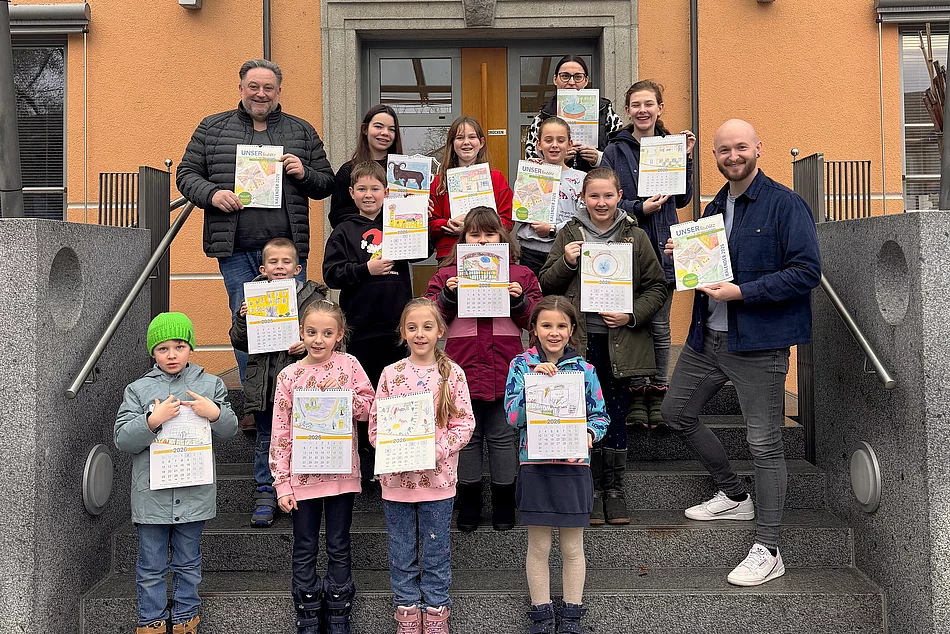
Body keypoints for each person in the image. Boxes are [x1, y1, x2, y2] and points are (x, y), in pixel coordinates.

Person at [660, 119, 821, 587]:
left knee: (766, 445)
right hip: (706, 337)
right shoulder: (716, 205)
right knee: (676, 412)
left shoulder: (785, 204)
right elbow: (709, 268)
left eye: (740, 148)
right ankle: (734, 493)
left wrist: (742, 292)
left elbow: (806, 271)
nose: (732, 156)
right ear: (714, 155)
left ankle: (769, 547)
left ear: (758, 149)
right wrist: (681, 254)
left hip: (759, 344)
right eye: (724, 150)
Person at [176, 59, 335, 382]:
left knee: (292, 323)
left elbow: (326, 182)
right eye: (254, 87)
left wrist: (304, 173)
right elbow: (186, 174)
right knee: (247, 324)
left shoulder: (301, 130)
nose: (261, 94)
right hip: (235, 248)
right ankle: (253, 402)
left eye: (268, 88)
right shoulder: (212, 127)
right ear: (241, 89)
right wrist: (212, 195)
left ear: (278, 92)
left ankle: (288, 392)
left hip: (287, 251)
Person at [539, 167, 668, 526]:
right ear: (582, 197)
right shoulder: (568, 232)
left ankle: (614, 488)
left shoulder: (635, 236)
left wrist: (630, 315)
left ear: (619, 196)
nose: (600, 202)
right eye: (593, 196)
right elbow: (545, 284)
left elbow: (657, 287)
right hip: (578, 344)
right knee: (578, 412)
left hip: (620, 343)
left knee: (612, 410)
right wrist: (566, 261)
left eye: (608, 196)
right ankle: (588, 487)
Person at [114, 312, 239, 634]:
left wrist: (214, 413)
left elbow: (231, 429)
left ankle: (186, 616)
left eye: (180, 346)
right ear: (152, 352)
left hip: (193, 491)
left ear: (190, 347)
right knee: (151, 565)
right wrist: (152, 420)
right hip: (151, 495)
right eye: (163, 348)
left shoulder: (210, 384)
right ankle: (151, 621)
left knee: (188, 561)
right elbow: (123, 439)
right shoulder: (138, 389)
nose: (171, 354)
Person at [424, 207, 542, 532]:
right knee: (467, 438)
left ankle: (505, 502)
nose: (483, 240)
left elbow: (536, 320)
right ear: (464, 240)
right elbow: (428, 317)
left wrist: (519, 302)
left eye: (490, 234)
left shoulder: (520, 274)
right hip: (461, 370)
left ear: (502, 237)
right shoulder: (447, 274)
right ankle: (470, 502)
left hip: (505, 368)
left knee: (503, 437)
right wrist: (448, 295)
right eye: (475, 234)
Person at [369, 298, 475, 634]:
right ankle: (406, 608)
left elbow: (464, 423)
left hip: (438, 481)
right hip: (397, 483)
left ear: (440, 331)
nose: (420, 334)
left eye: (427, 327)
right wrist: (392, 446)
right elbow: (375, 425)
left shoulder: (452, 373)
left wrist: (437, 450)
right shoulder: (391, 374)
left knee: (436, 547)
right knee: (401, 549)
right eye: (412, 327)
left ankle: (436, 608)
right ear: (402, 332)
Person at [270, 300, 376, 634]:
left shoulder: (349, 365)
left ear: (339, 335)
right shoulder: (290, 375)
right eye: (312, 332)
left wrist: (345, 395)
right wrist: (281, 484)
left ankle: (339, 608)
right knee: (304, 545)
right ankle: (307, 610)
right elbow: (280, 432)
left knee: (339, 543)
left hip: (342, 475)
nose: (319, 339)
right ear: (301, 333)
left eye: (327, 333)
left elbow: (370, 408)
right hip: (303, 478)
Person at [504, 296, 608, 634]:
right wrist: (535, 384)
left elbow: (601, 416)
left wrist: (591, 433)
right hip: (535, 466)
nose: (554, 332)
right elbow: (512, 416)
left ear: (572, 329)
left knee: (572, 547)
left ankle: (572, 615)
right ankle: (542, 614)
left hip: (574, 466)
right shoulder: (520, 365)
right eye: (546, 325)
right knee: (539, 546)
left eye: (561, 325)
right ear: (533, 329)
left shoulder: (585, 370)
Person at [602, 80, 695, 427]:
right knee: (631, 324)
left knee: (659, 325)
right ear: (627, 111)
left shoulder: (671, 146)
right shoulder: (615, 149)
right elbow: (608, 200)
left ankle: (658, 391)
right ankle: (636, 392)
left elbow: (683, 198)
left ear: (660, 108)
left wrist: (686, 159)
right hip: (625, 247)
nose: (642, 110)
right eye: (635, 105)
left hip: (665, 248)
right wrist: (641, 208)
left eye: (649, 104)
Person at [323, 161, 416, 486]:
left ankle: (395, 457)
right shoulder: (343, 231)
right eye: (361, 189)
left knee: (395, 394)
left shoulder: (400, 224)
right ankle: (366, 459)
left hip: (397, 328)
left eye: (375, 188)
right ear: (351, 193)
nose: (368, 194)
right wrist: (366, 270)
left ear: (386, 192)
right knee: (365, 397)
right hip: (361, 328)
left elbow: (422, 250)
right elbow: (331, 274)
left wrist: (422, 219)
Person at [228, 237, 330, 527]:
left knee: (300, 435)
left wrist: (306, 343)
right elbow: (239, 342)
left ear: (297, 267)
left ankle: (298, 487)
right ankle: (265, 491)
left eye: (286, 262)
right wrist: (242, 318)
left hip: (301, 385)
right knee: (266, 439)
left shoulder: (313, 298)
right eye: (273, 262)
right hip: (264, 386)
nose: (280, 267)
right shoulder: (254, 297)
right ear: (263, 267)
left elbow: (333, 335)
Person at [428, 116, 514, 259]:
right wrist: (448, 224)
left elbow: (508, 219)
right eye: (460, 138)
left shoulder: (496, 178)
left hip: (490, 253)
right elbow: (430, 223)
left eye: (472, 137)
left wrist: (473, 228)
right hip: (450, 255)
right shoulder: (439, 182)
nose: (466, 142)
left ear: (481, 142)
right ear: (452, 143)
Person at [523, 54, 623, 173]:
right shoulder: (543, 116)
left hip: (596, 185)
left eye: (578, 77)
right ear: (555, 79)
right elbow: (531, 162)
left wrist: (599, 158)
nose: (571, 82)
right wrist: (555, 160)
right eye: (565, 76)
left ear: (586, 81)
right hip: (557, 187)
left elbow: (621, 153)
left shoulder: (604, 111)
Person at [516, 117, 586, 277]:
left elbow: (583, 218)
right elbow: (520, 213)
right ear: (538, 144)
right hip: (531, 250)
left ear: (569, 144)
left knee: (561, 299)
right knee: (535, 296)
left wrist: (553, 229)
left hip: (566, 250)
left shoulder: (581, 179)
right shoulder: (530, 173)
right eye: (548, 140)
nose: (554, 145)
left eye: (560, 140)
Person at [329, 105, 403, 228]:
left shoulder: (405, 170)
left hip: (399, 241)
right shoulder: (347, 171)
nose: (385, 133)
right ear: (365, 129)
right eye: (378, 126)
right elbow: (337, 216)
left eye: (391, 129)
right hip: (358, 242)